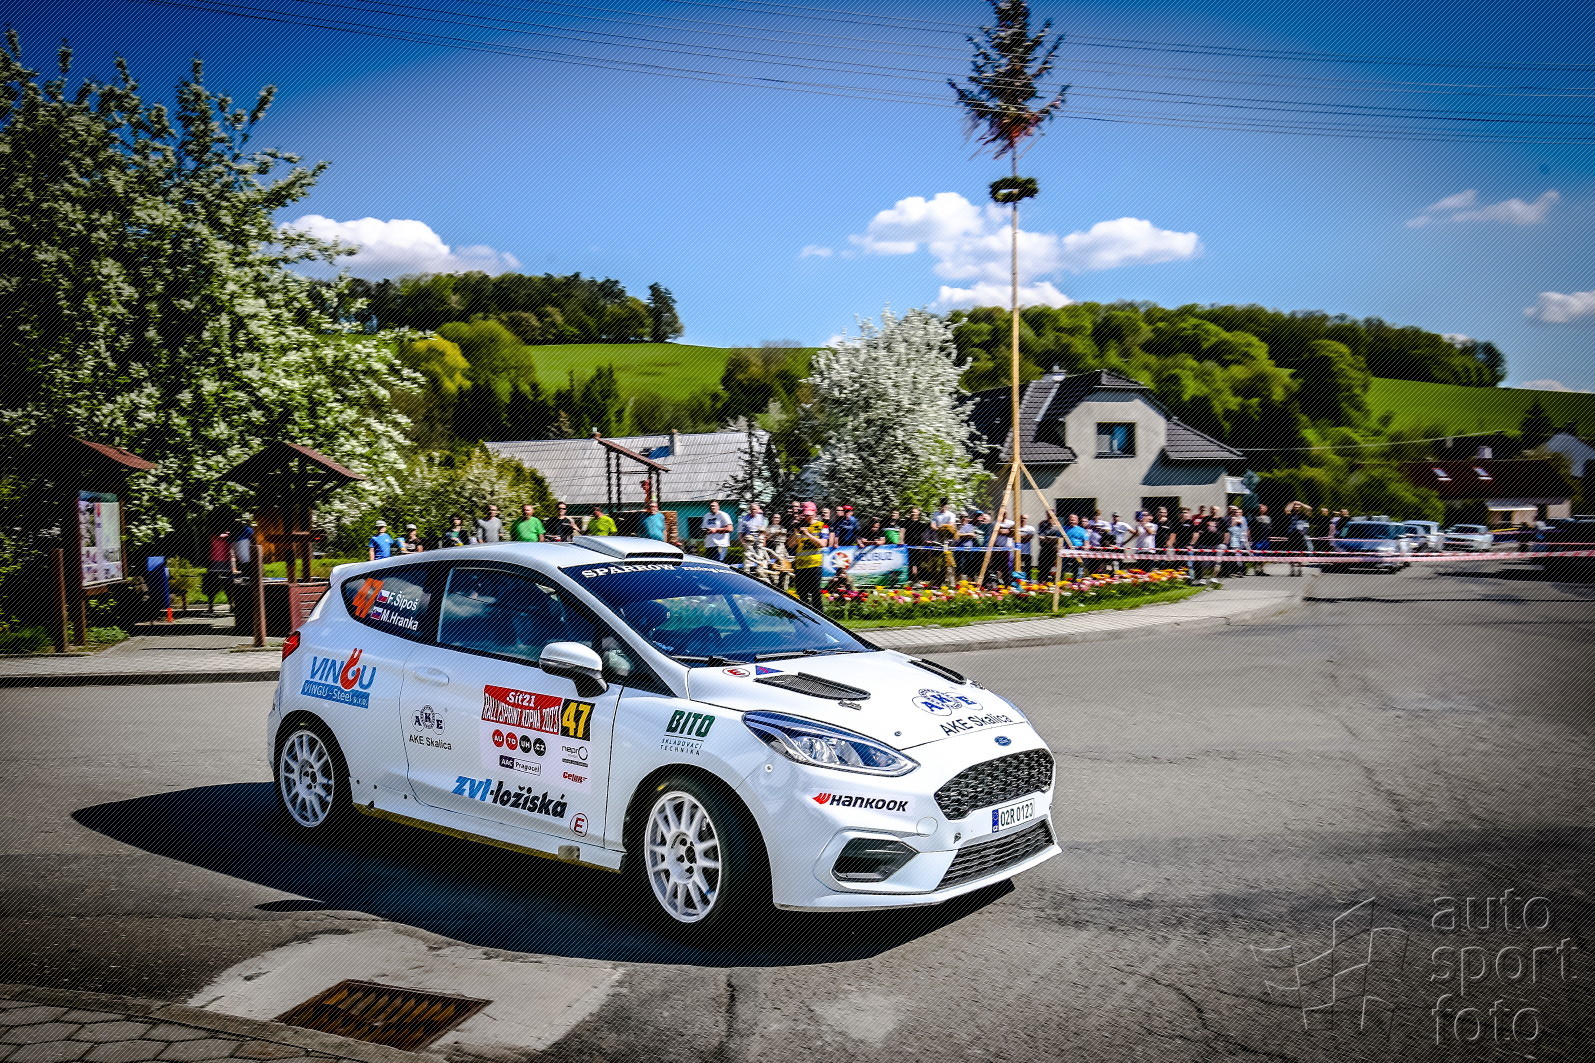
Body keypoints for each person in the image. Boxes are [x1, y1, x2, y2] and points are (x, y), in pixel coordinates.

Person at [790, 516, 827, 611]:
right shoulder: (800, 526)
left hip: (814, 565)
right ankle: (804, 614)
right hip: (800, 566)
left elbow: (822, 544)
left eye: (808, 514)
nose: (805, 517)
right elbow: (790, 544)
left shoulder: (822, 525)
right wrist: (795, 531)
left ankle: (819, 615)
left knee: (815, 593)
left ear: (814, 513)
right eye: (804, 514)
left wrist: (807, 534)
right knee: (802, 593)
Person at [202, 527, 234, 615]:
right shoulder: (229, 536)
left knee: (212, 585)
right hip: (226, 563)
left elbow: (206, 550)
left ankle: (210, 606)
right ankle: (231, 605)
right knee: (228, 585)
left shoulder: (210, 536)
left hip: (213, 563)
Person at [1283, 502, 1312, 576]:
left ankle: (1299, 570)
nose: (1297, 507)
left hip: (1300, 535)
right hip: (1291, 534)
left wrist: (1301, 504)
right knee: (1291, 553)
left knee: (1300, 553)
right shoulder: (1290, 514)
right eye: (1295, 506)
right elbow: (1286, 509)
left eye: (1298, 506)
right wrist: (1293, 503)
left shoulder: (1303, 515)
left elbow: (1309, 508)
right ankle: (1292, 570)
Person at [1247, 505, 1273, 575]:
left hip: (1266, 539)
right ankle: (1256, 569)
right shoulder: (1254, 518)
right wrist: (1249, 538)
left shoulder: (1269, 518)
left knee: (1263, 555)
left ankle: (1261, 570)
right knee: (1256, 554)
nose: (1262, 509)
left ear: (1266, 509)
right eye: (1260, 508)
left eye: (1263, 508)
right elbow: (1249, 529)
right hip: (1257, 539)